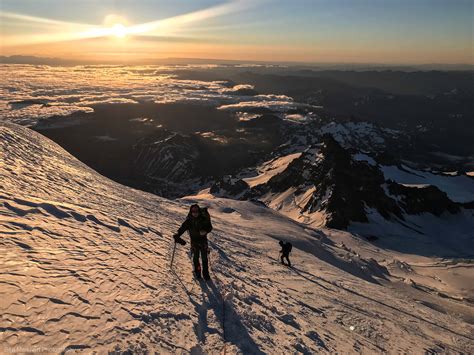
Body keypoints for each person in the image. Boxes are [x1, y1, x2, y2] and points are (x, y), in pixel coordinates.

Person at [173, 204, 213, 280]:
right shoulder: (188, 221)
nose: (195, 213)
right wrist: (178, 234)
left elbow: (210, 227)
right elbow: (182, 228)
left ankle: (206, 274)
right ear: (191, 212)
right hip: (194, 242)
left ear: (199, 211)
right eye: (193, 211)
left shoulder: (204, 219)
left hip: (203, 241)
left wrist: (206, 231)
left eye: (196, 211)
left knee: (204, 258)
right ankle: (198, 272)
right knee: (196, 258)